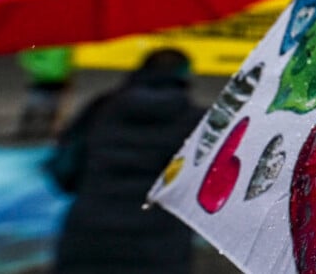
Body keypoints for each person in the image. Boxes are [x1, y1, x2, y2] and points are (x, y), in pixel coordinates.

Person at [46, 48, 204, 274]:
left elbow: (64, 170)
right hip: (159, 241)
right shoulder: (196, 121)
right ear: (185, 76)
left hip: (89, 232)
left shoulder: (100, 108)